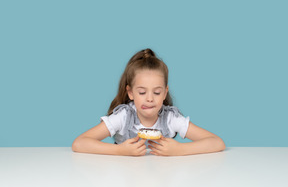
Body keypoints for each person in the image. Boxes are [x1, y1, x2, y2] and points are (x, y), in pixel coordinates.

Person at [72, 48, 225, 156]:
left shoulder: (170, 118)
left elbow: (217, 142)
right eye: (142, 92)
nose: (150, 98)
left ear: (165, 93)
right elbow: (79, 143)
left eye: (157, 92)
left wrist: (180, 150)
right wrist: (119, 151)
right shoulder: (124, 116)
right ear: (130, 92)